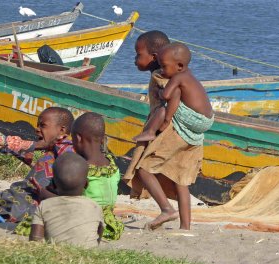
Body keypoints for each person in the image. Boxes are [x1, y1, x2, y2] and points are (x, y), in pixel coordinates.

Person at [124, 34, 214, 230]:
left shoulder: (163, 76)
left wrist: (161, 125)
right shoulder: (179, 73)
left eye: (138, 55)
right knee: (181, 179)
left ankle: (166, 209)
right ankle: (185, 227)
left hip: (176, 129)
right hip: (194, 133)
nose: (135, 60)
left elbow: (170, 98)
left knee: (144, 168)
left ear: (155, 56)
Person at [0, 107, 75, 224]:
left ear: (62, 131)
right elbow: (21, 151)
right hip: (18, 199)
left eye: (42, 125)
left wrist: (10, 142)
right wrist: (5, 145)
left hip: (24, 205)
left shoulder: (68, 148)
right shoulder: (49, 152)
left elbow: (27, 146)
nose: (37, 129)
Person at [133, 42, 214, 142]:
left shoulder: (177, 77)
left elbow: (166, 95)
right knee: (176, 91)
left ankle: (153, 130)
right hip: (208, 119)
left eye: (164, 67)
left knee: (164, 106)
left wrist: (159, 91)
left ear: (179, 66)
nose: (161, 70)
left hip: (196, 119)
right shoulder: (188, 74)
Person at [29, 152, 104, 248]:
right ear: (86, 184)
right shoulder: (94, 206)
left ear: (54, 184)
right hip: (88, 257)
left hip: (55, 257)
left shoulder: (44, 206)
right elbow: (99, 234)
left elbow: (35, 240)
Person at [71, 112, 124, 240]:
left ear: (78, 138)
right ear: (102, 139)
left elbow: (68, 197)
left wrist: (43, 192)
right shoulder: (111, 165)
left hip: (88, 221)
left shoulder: (82, 167)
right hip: (109, 224)